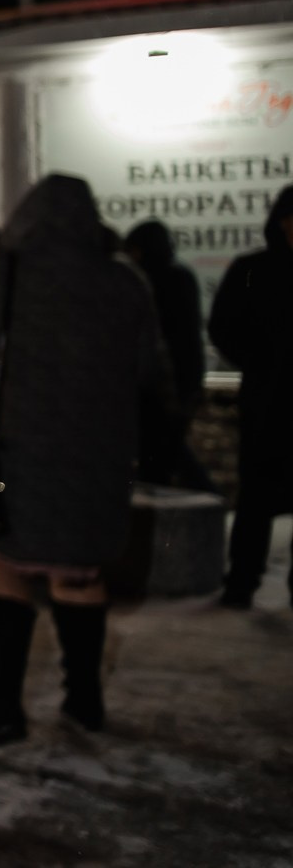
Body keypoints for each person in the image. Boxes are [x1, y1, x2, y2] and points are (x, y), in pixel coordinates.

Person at [0, 175, 171, 759]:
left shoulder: (7, 272)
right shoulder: (126, 281)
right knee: (80, 574)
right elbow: (151, 374)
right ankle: (84, 697)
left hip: (14, 457)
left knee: (5, 569)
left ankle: (0, 710)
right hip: (98, 460)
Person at [206, 185, 293, 610]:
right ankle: (242, 581)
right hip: (269, 402)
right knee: (257, 498)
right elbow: (221, 326)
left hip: (270, 395)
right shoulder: (252, 269)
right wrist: (260, 360)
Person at [123, 220, 214, 491]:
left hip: (162, 383)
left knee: (165, 451)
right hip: (182, 378)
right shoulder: (178, 277)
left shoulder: (148, 280)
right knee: (169, 448)